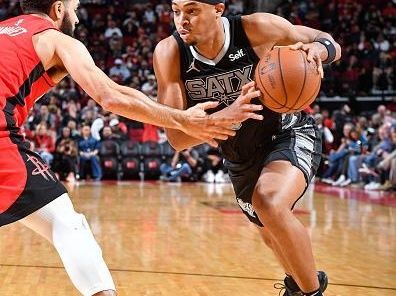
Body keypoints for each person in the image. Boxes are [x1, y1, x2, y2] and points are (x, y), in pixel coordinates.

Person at [0, 1, 262, 295]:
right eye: (74, 8)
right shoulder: (55, 39)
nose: (77, 17)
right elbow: (110, 96)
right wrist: (183, 120)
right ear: (58, 9)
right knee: (67, 225)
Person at [153, 1, 342, 295]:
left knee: (269, 203)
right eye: (176, 11)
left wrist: (318, 51)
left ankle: (310, 292)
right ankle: (299, 284)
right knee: (270, 235)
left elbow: (328, 42)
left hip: (286, 132)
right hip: (238, 155)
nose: (182, 20)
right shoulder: (170, 53)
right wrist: (221, 118)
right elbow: (177, 139)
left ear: (218, 9)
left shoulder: (256, 28)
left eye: (191, 11)